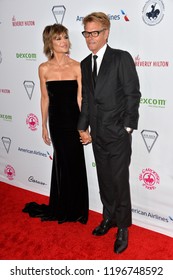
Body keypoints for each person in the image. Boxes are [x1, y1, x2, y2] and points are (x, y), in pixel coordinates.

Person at [78, 12, 141, 253]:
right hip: (97, 135)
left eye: (95, 33)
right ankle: (109, 217)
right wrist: (82, 126)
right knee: (104, 179)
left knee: (119, 181)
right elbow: (87, 100)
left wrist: (127, 127)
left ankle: (123, 226)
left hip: (117, 134)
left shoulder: (120, 58)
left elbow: (132, 95)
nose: (90, 38)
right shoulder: (85, 63)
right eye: (87, 33)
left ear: (106, 33)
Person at [23, 24, 89, 224]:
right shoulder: (43, 68)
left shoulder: (78, 66)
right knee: (61, 162)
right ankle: (62, 205)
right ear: (50, 43)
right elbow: (44, 98)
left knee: (76, 162)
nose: (64, 42)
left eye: (65, 37)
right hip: (57, 123)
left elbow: (81, 99)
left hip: (74, 121)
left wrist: (84, 126)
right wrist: (43, 125)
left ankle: (77, 209)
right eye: (58, 38)